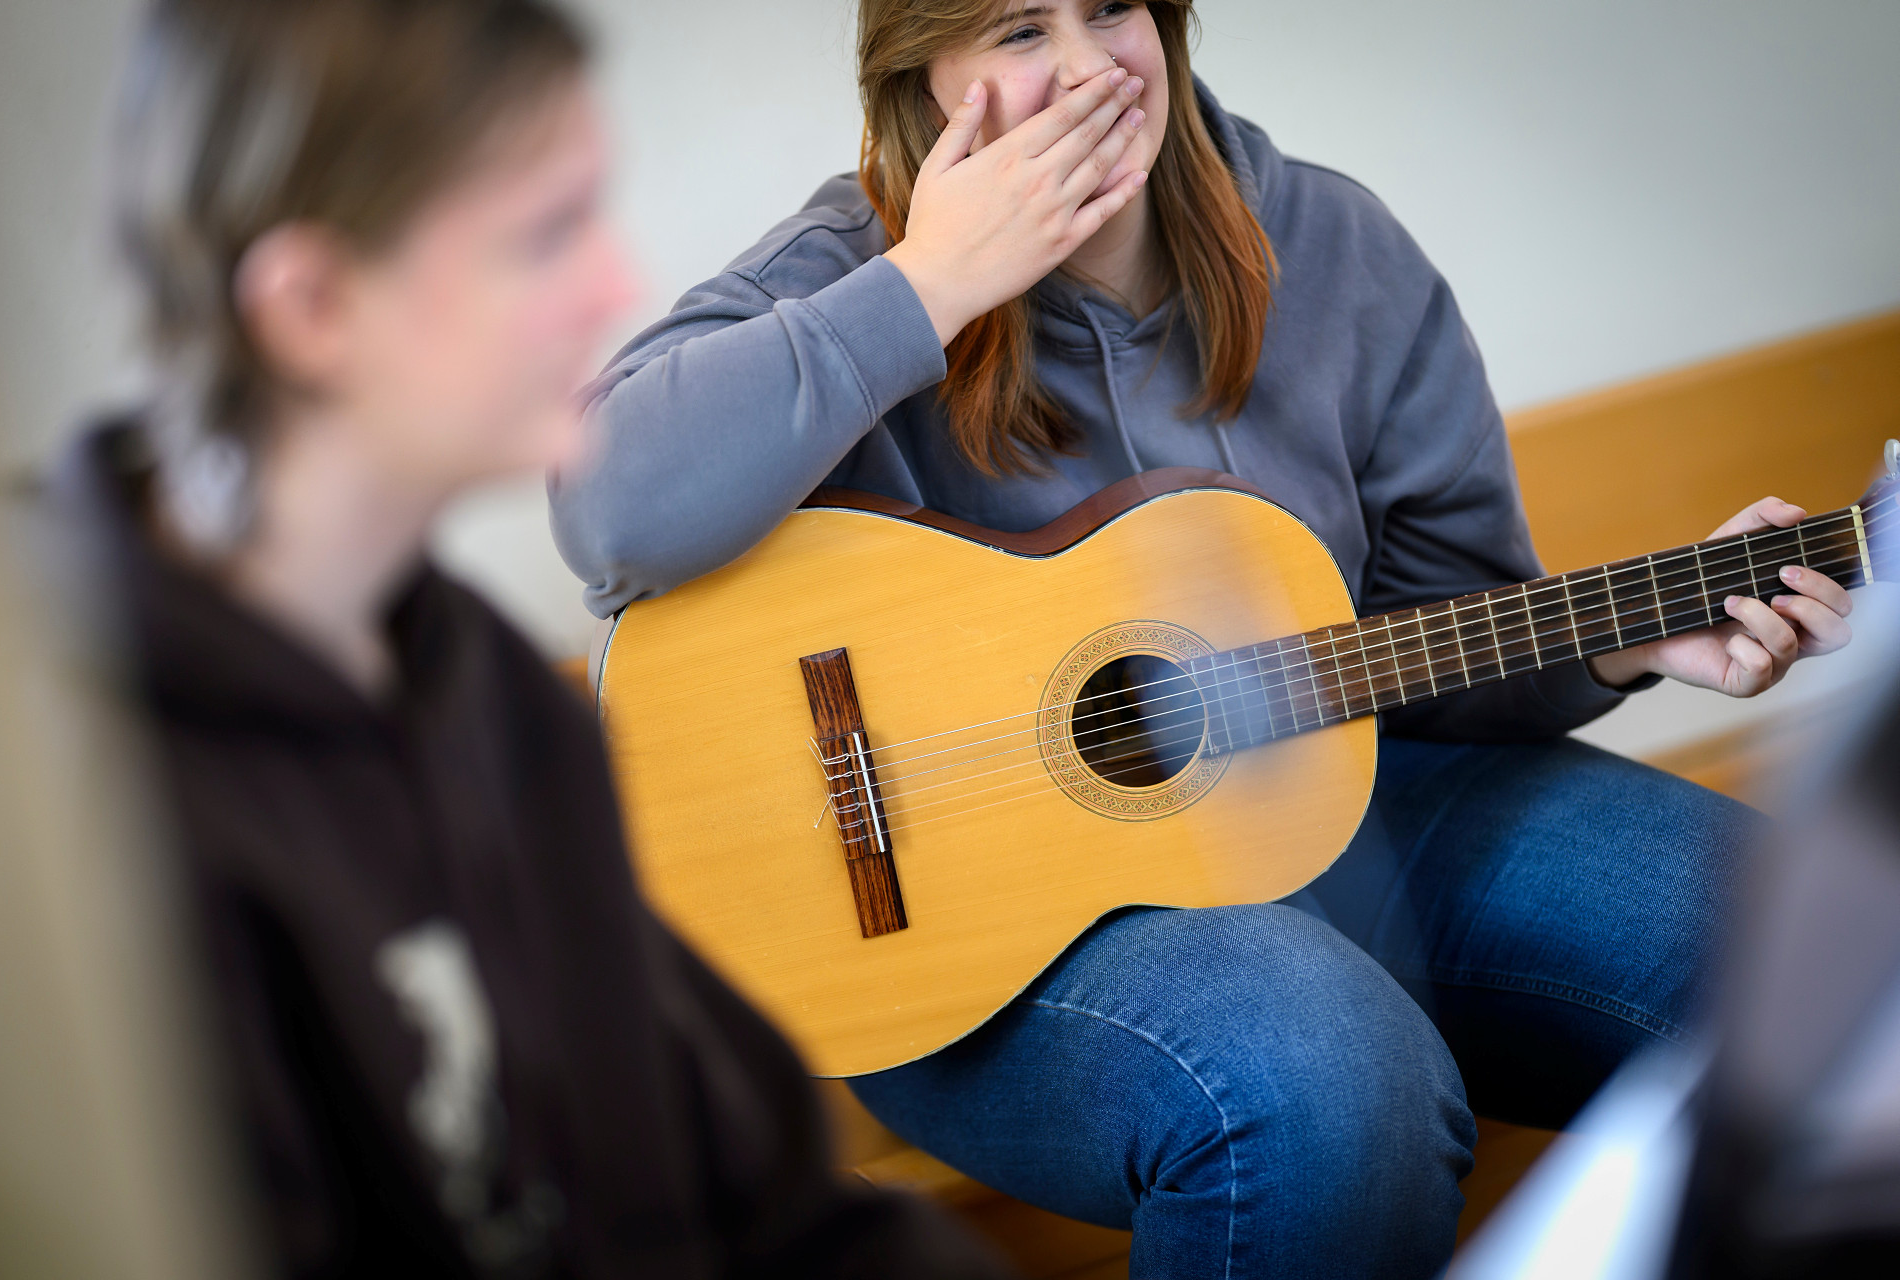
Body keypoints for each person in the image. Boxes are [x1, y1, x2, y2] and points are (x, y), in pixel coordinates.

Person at [547, 2, 1858, 1276]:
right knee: (1323, 1083)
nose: (1085, 68)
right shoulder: (847, 266)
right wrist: (931, 285)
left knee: (1832, 950)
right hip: (966, 940)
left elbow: (1428, 640)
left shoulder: (1333, 245)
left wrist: (1624, 647)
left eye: (1111, 8)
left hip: (1354, 799)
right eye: (1016, 29)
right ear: (922, 72)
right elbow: (608, 506)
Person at [51, 0, 1014, 1275]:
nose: (616, 287)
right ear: (312, 303)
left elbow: (771, 1201)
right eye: (546, 234)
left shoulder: (499, 703)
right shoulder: (76, 803)